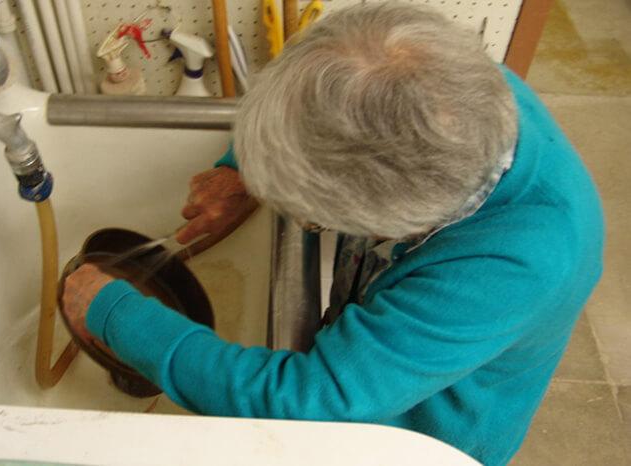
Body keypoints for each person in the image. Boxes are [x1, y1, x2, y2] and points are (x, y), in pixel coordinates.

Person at [62, 3, 604, 464]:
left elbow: (310, 400)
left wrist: (118, 316)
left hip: (419, 438)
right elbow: (322, 109)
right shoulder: (443, 84)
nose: (304, 222)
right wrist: (244, 172)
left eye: (313, 218)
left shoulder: (513, 263)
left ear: (395, 217)